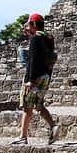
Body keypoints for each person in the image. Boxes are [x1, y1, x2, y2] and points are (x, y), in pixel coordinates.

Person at [11, 13, 60, 145]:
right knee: (39, 105)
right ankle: (53, 126)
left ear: (33, 24)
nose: (26, 27)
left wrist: (30, 80)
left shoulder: (35, 40)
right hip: (45, 76)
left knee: (27, 107)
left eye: (28, 24)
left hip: (35, 77)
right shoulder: (48, 38)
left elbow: (33, 60)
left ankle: (22, 136)